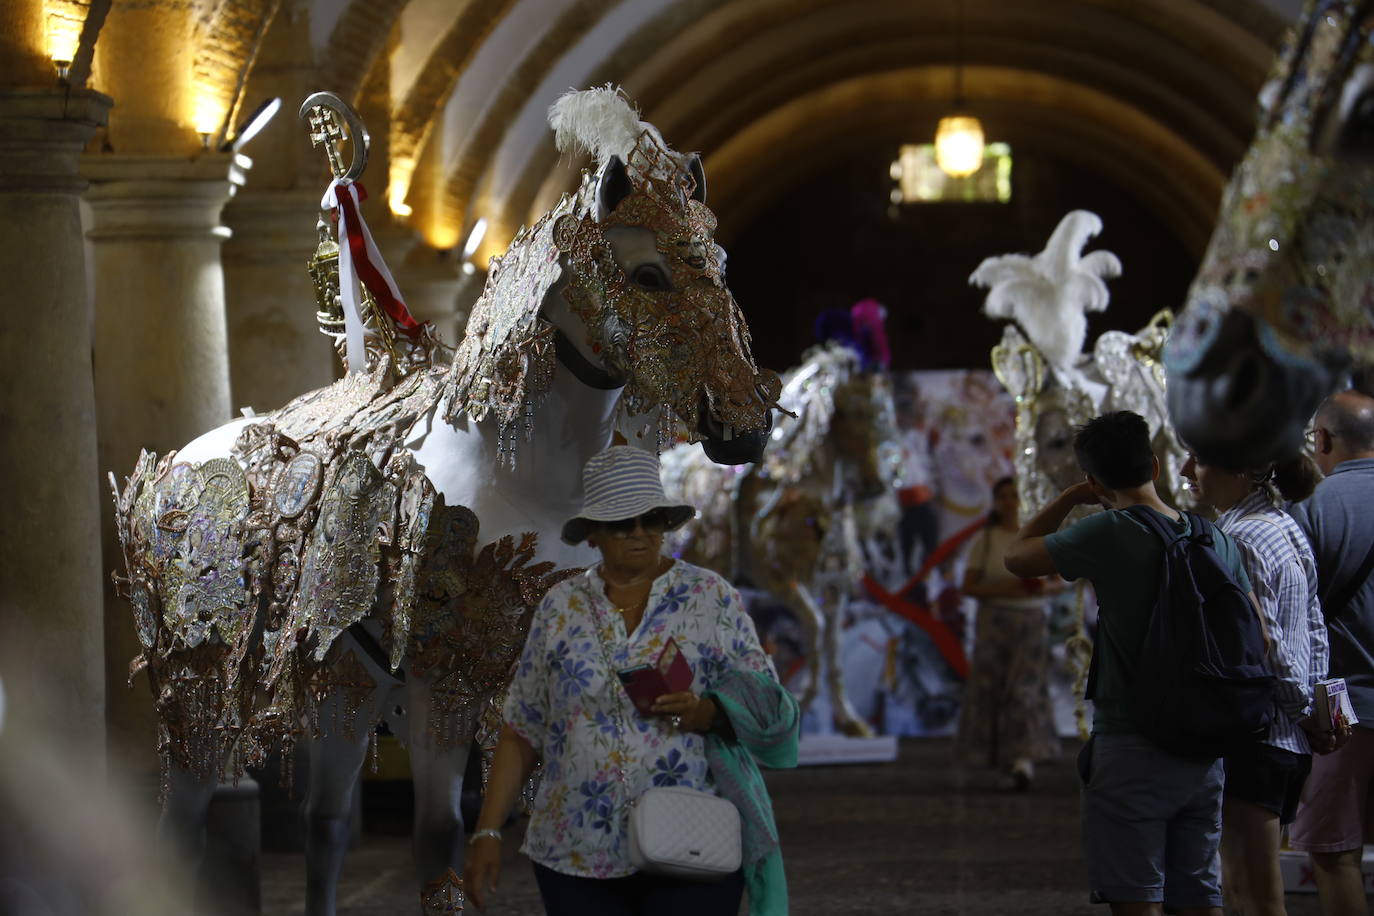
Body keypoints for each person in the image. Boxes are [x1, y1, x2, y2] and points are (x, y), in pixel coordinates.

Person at [463, 446, 800, 916]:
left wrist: (710, 712)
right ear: (593, 535)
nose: (640, 533)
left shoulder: (710, 596)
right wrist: (488, 831)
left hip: (693, 839)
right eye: (623, 523)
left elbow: (765, 700)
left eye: (652, 520)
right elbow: (522, 727)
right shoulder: (561, 607)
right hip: (575, 846)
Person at [1004, 410, 1253, 916]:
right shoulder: (1216, 538)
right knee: (1202, 896)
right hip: (1207, 746)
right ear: (1156, 467)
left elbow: (1017, 556)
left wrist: (1071, 498)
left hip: (1131, 740)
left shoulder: (1108, 533)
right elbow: (1258, 634)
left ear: (1095, 479)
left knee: (1137, 897)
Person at [1179, 449, 1333, 916]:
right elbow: (1313, 627)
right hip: (1285, 741)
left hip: (1257, 734)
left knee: (1252, 896)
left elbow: (1266, 642)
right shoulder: (1282, 524)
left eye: (1199, 461)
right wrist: (1319, 708)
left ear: (1241, 472)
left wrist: (1306, 712)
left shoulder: (1237, 536)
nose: (1186, 471)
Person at [1286, 388, 1374, 915]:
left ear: (1321, 440)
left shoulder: (1309, 510)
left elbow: (1295, 620)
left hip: (1342, 706)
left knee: (1334, 852)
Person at [954, 476, 1061, 790]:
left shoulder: (1039, 537)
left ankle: (1023, 758)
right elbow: (969, 586)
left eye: (1015, 495)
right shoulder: (985, 541)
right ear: (996, 502)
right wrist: (1006, 589)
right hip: (995, 621)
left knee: (1024, 689)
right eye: (1003, 496)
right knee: (992, 687)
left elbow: (1059, 581)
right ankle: (994, 754)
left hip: (1031, 621)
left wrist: (1038, 588)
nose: (1010, 501)